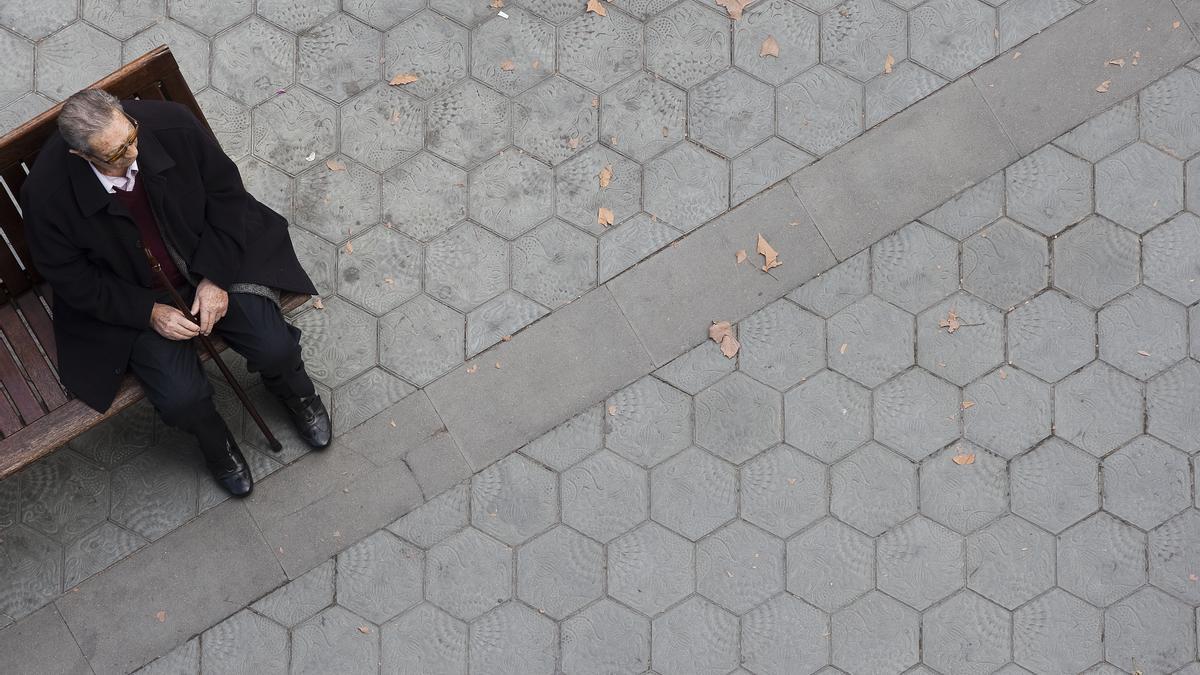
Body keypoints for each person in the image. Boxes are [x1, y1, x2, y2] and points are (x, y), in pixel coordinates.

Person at [20, 88, 331, 497]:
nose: (133, 154)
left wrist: (216, 277)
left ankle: (296, 393)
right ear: (82, 156)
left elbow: (226, 196)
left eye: (131, 136)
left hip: (211, 255)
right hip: (134, 298)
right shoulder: (45, 195)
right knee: (182, 399)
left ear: (125, 115)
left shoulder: (171, 124)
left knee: (275, 347)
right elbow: (71, 277)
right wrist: (149, 312)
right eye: (115, 154)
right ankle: (215, 444)